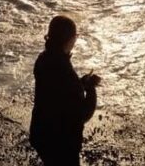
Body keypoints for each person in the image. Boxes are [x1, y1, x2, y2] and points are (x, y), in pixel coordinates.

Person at [29, 15, 101, 166]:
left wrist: (80, 83)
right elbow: (83, 113)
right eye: (75, 36)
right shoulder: (64, 70)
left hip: (41, 133)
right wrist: (91, 89)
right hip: (61, 141)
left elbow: (57, 92)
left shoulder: (43, 59)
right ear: (69, 39)